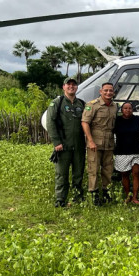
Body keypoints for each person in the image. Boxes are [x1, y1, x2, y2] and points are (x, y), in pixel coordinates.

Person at [47, 77, 86, 207]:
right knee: (61, 174)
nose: (71, 87)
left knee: (78, 172)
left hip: (79, 145)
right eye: (68, 84)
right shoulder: (57, 102)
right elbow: (50, 122)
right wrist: (56, 142)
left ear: (77, 87)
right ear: (63, 87)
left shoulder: (82, 104)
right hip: (63, 145)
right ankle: (60, 199)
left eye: (74, 85)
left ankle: (78, 197)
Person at [81, 82, 118, 205]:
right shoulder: (92, 105)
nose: (108, 93)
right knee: (94, 169)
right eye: (106, 90)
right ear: (100, 91)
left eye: (111, 91)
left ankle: (106, 191)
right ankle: (94, 194)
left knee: (108, 169)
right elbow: (85, 123)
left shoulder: (114, 106)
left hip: (109, 142)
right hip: (95, 142)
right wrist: (90, 141)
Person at [114, 101, 139, 204]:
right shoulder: (117, 120)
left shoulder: (137, 119)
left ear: (133, 110)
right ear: (121, 110)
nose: (128, 110)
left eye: (130, 108)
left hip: (136, 151)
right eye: (125, 108)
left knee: (136, 173)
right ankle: (128, 195)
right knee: (124, 174)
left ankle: (135, 197)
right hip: (122, 152)